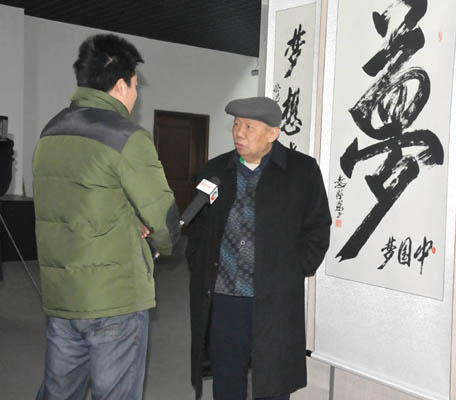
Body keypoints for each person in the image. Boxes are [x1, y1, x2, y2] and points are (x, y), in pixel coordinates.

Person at [33, 34, 180, 399]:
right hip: (114, 297)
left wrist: (128, 217)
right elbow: (162, 219)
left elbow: (77, 204)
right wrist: (163, 242)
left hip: (63, 294)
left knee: (59, 392)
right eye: (135, 85)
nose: (136, 95)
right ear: (120, 86)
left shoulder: (50, 132)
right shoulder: (127, 137)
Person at [185, 97, 332, 399]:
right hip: (225, 297)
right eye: (236, 124)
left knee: (273, 379)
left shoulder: (302, 171)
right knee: (226, 378)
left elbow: (318, 226)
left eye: (249, 127)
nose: (239, 133)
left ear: (272, 133)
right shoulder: (215, 171)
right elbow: (197, 230)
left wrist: (296, 269)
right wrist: (199, 265)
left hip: (274, 297)